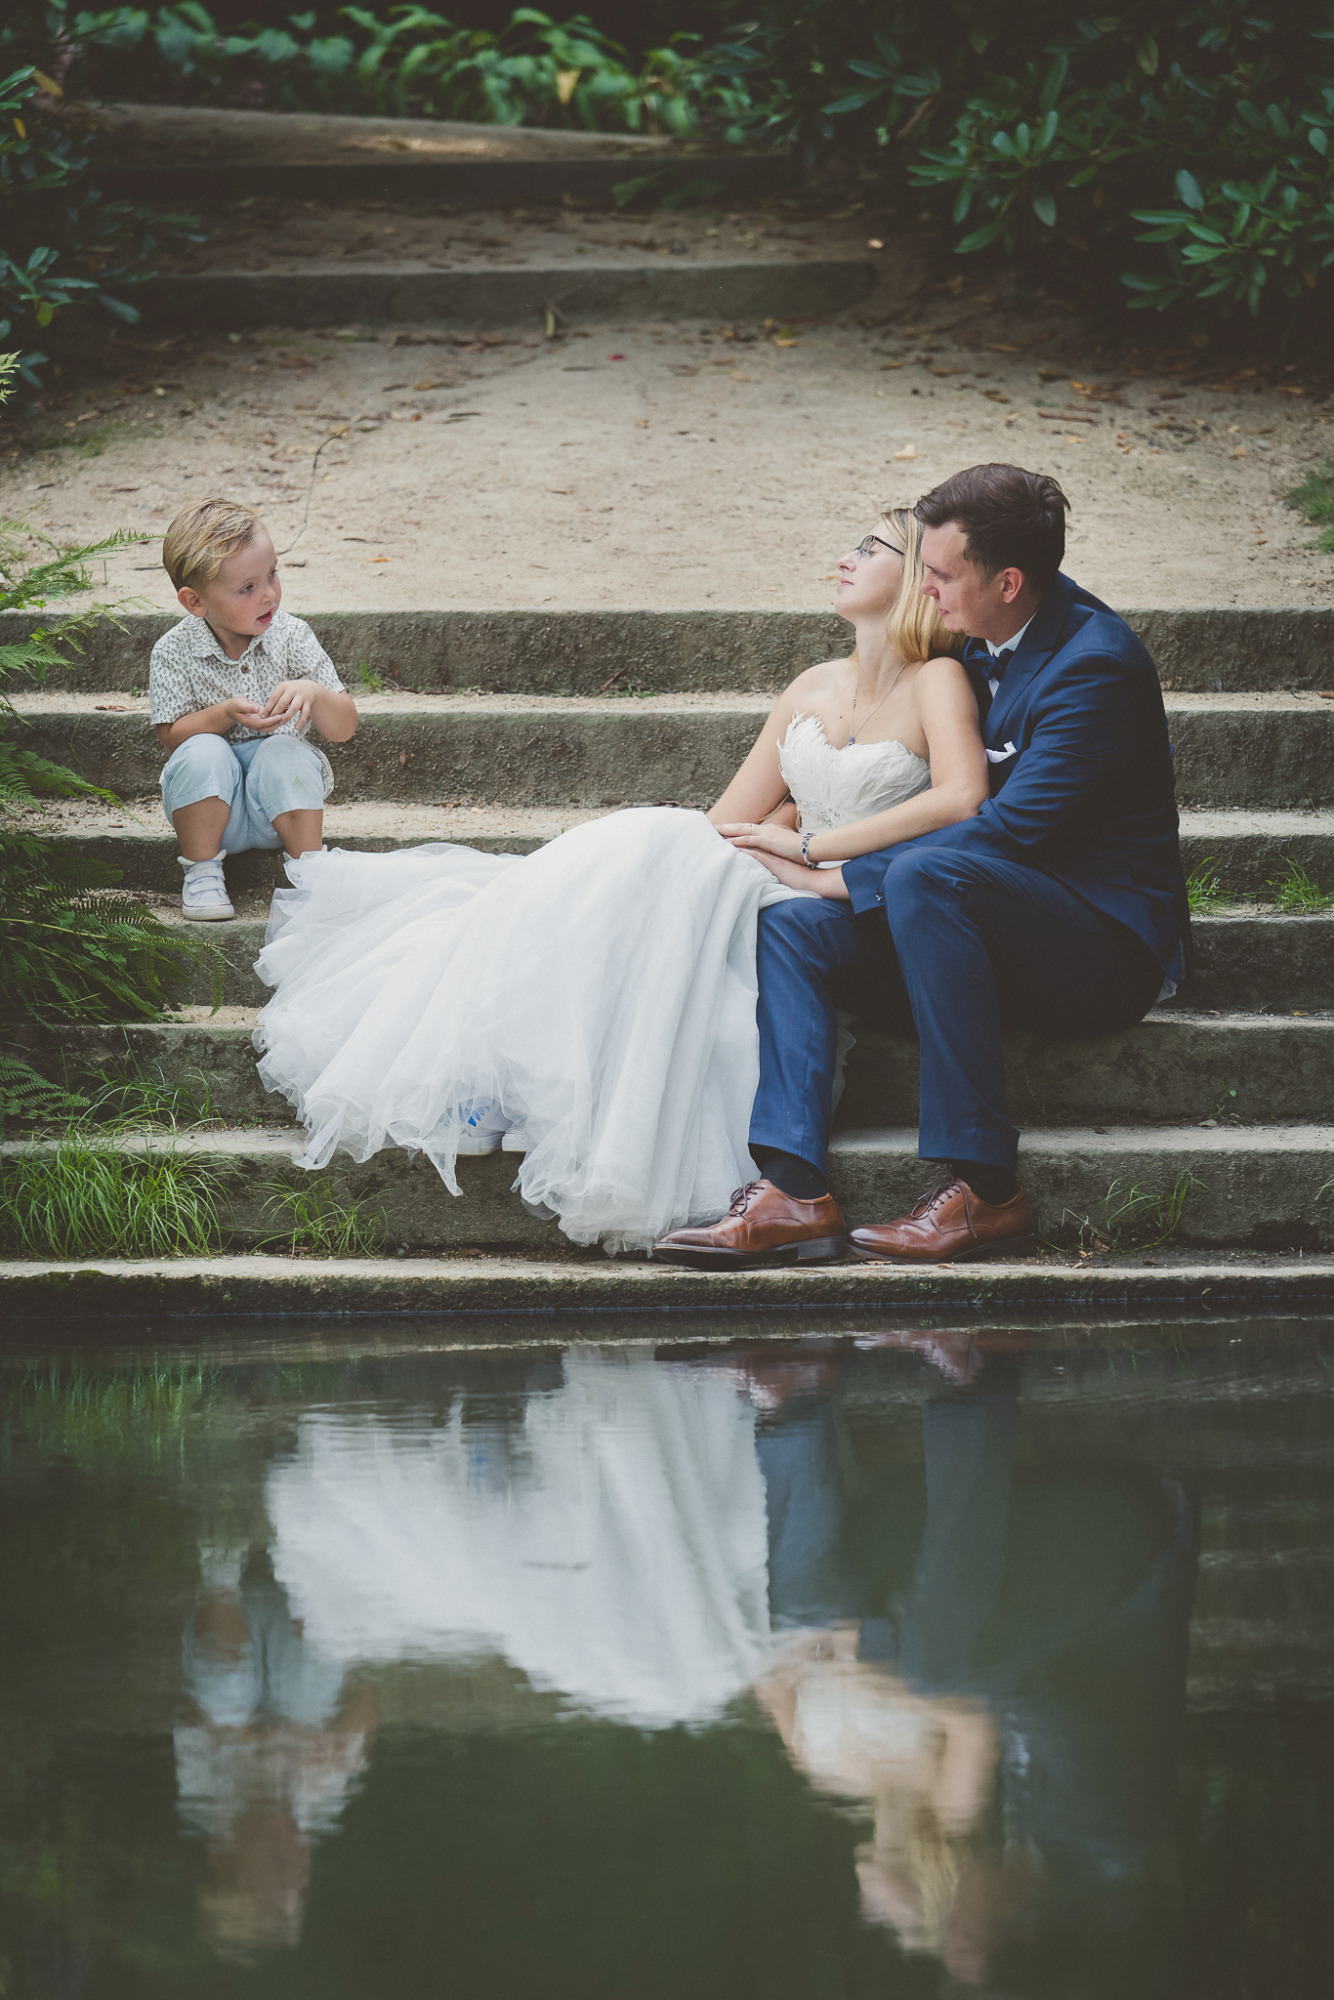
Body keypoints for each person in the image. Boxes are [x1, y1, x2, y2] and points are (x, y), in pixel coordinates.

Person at [252, 506, 986, 1252]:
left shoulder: (940, 680)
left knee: (669, 861)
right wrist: (737, 854)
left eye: (873, 547)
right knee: (652, 848)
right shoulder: (811, 686)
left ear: (922, 578)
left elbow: (961, 799)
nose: (847, 555)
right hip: (774, 869)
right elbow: (726, 821)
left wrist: (809, 847)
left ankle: (518, 1079)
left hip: (861, 902)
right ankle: (502, 1076)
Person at [654, 463, 1188, 1268]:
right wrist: (800, 817)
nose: (924, 589)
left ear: (1007, 581)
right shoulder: (977, 633)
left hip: (1095, 945)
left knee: (924, 875)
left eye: (940, 574)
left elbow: (1002, 830)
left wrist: (828, 867)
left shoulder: (1094, 666)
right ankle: (793, 1189)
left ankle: (986, 1191)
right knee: (794, 928)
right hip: (970, 932)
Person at [150, 499, 359, 921]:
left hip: (277, 810)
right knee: (201, 750)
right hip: (211, 812)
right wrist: (223, 713)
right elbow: (170, 736)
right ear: (195, 602)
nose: (269, 594)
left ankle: (310, 872)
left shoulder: (291, 635)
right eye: (247, 588)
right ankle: (203, 871)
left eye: (272, 574)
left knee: (286, 751)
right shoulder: (173, 650)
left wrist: (315, 694)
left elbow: (345, 727)